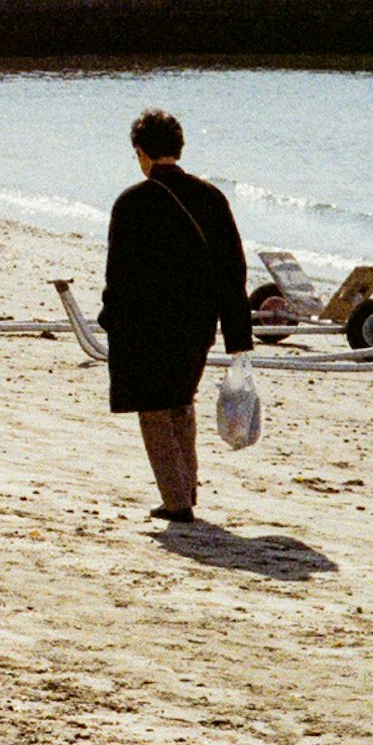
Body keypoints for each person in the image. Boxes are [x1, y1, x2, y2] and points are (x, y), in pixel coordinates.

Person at [100, 107, 252, 525]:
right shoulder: (210, 197)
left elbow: (119, 272)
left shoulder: (132, 201)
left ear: (140, 151)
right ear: (178, 148)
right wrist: (238, 335)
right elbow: (232, 270)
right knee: (181, 402)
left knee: (153, 408)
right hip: (197, 323)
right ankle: (186, 490)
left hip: (147, 323)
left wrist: (109, 317)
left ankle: (176, 501)